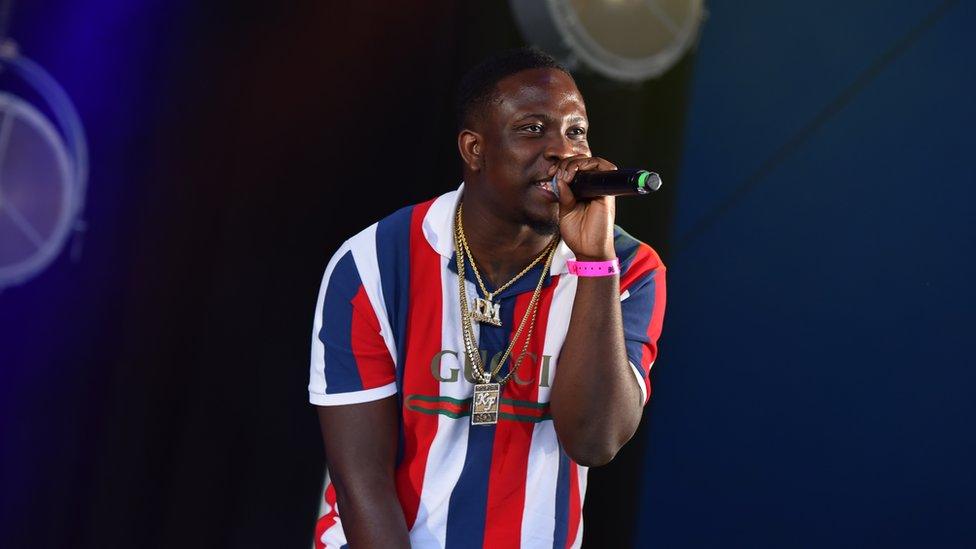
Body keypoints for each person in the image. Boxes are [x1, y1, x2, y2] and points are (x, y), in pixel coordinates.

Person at [308, 48, 666, 549]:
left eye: (575, 131)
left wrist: (594, 262)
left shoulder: (627, 268)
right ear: (474, 149)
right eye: (532, 129)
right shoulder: (371, 264)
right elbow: (360, 483)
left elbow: (594, 440)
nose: (563, 151)